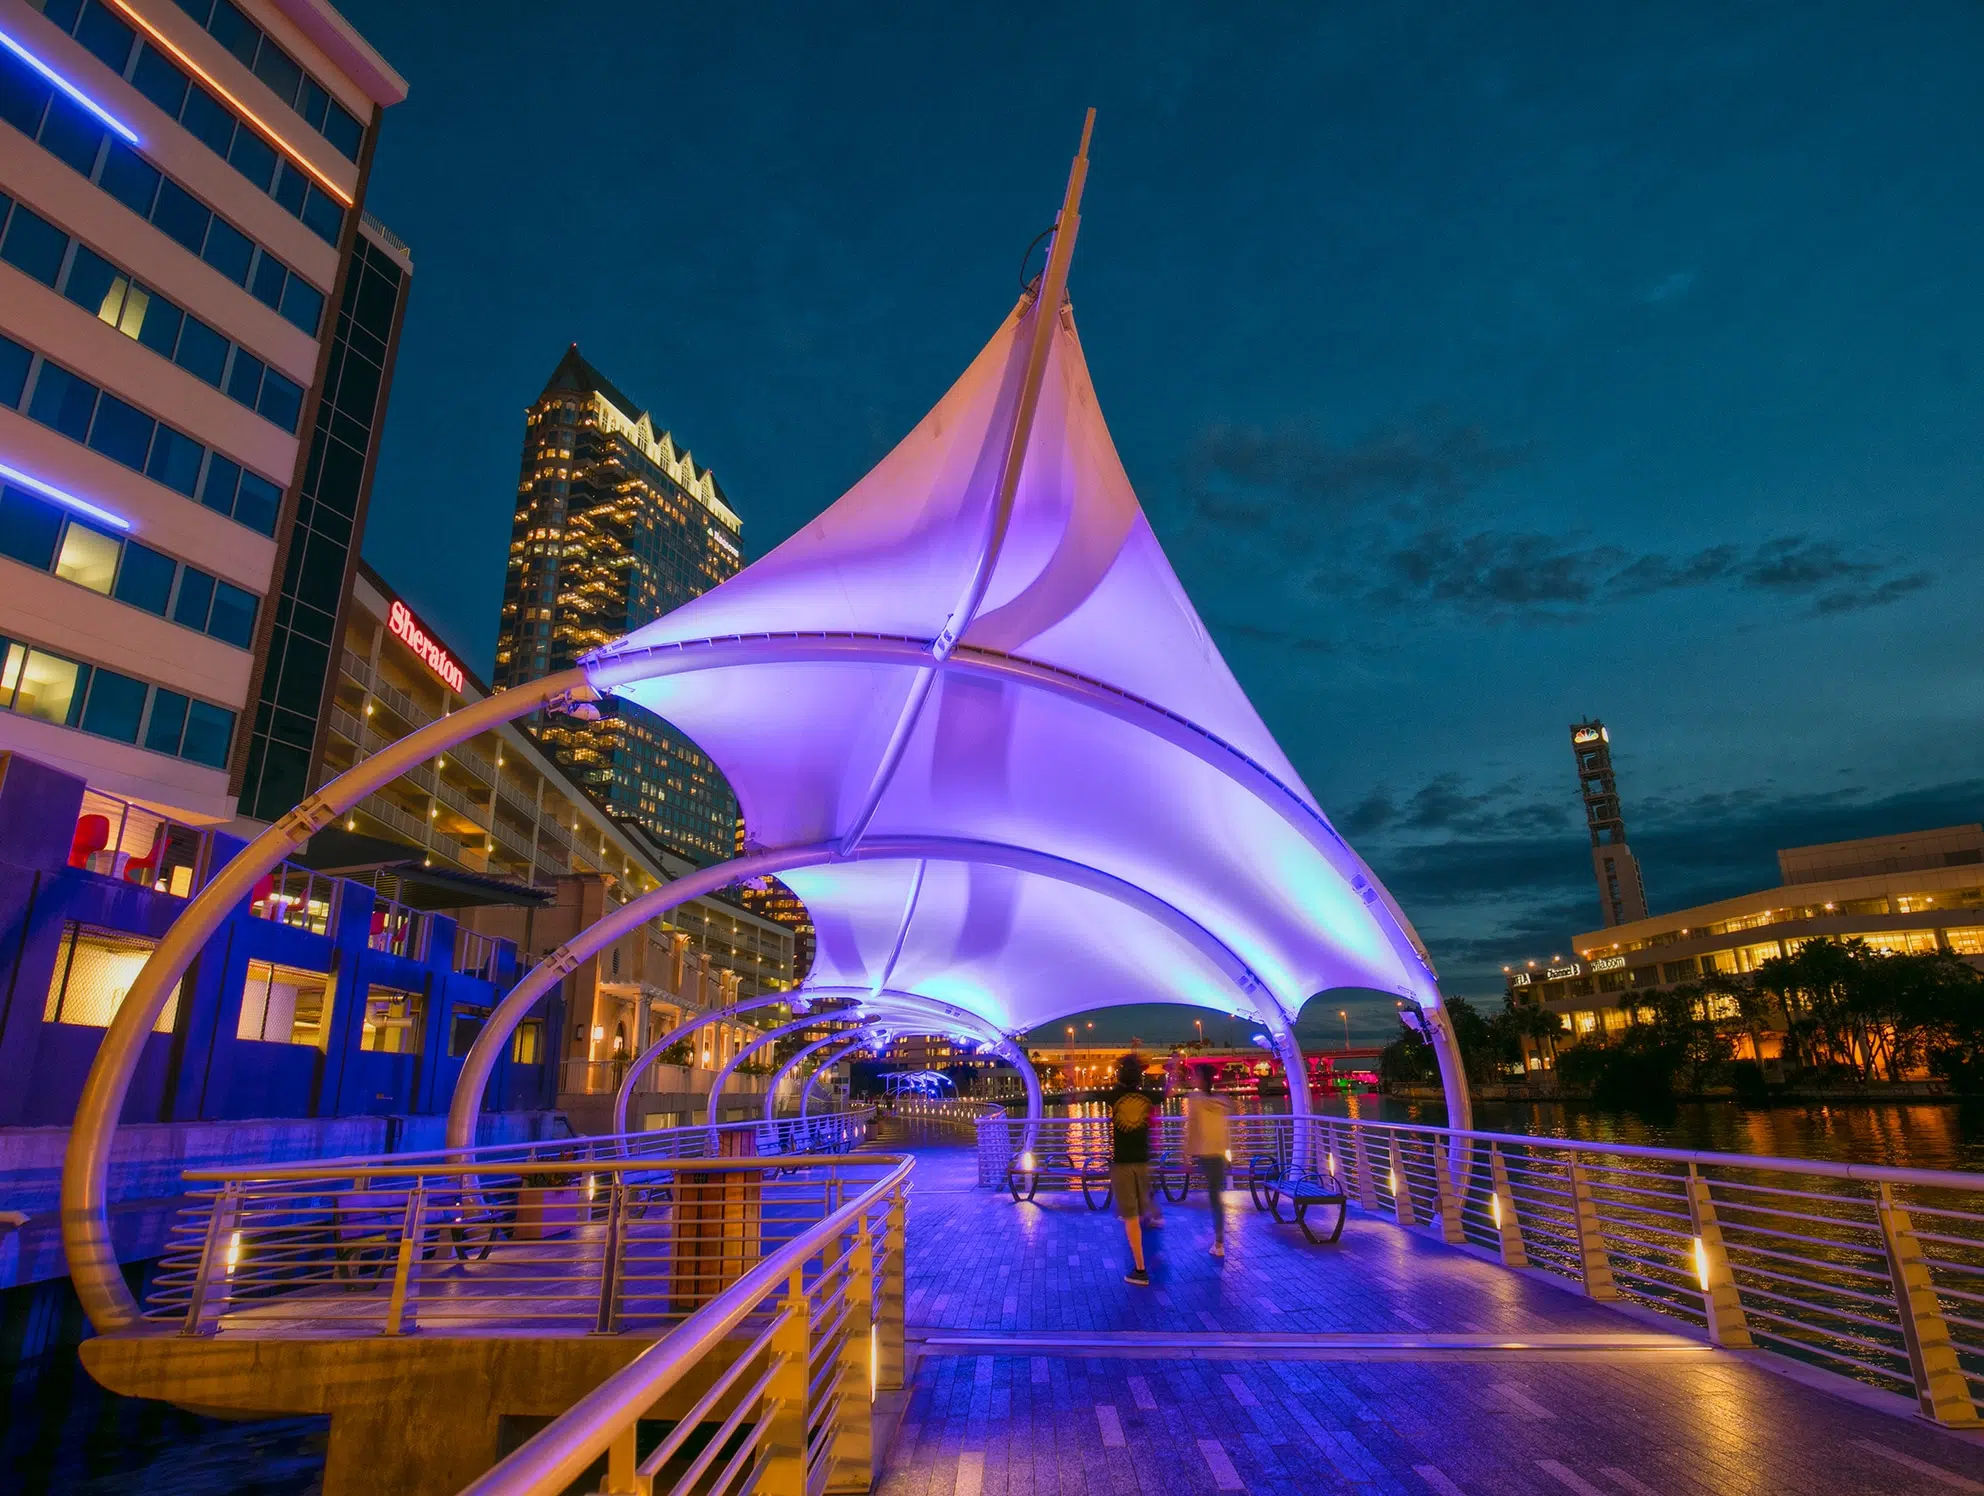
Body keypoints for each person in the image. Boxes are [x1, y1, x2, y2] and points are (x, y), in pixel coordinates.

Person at [1107, 1052, 1162, 1285]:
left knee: (1129, 1217)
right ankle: (1152, 1217)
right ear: (1139, 1078)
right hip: (1144, 1162)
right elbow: (1169, 1092)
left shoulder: (1114, 1096)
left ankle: (1140, 1270)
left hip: (1122, 1164)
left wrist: (1070, 1075)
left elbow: (1079, 1095)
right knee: (1139, 1210)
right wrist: (1176, 1069)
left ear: (1120, 1076)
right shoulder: (1147, 1097)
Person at [1182, 1068, 1233, 1259]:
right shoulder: (1221, 1101)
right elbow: (1224, 1129)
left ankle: (1217, 1240)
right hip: (1219, 1154)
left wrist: (1187, 1155)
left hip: (1204, 1153)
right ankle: (1219, 1241)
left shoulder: (1195, 1100)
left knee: (1212, 1196)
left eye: (1195, 1075)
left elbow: (1193, 1128)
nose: (1192, 1078)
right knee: (1215, 1197)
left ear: (1201, 1079)